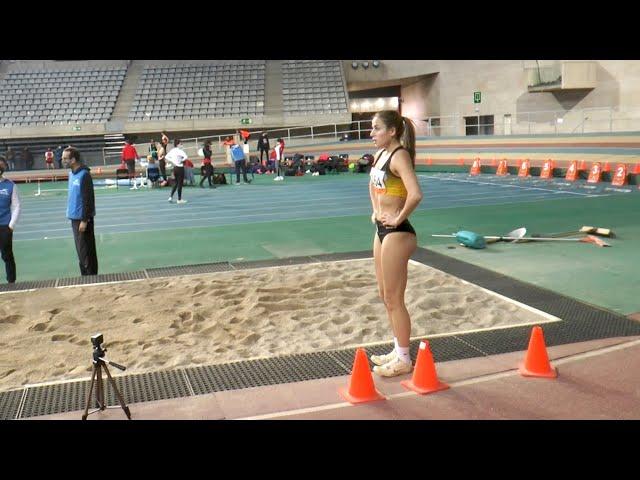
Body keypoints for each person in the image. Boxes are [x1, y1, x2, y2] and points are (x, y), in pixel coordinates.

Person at [368, 110, 422, 377]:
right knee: (384, 296)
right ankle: (397, 348)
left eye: (376, 128)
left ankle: (404, 358)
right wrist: (376, 209)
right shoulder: (380, 155)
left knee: (394, 298)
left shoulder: (399, 156)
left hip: (398, 232)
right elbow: (372, 185)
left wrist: (398, 216)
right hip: (382, 229)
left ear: (391, 131)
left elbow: (415, 194)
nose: (371, 133)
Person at [62, 146, 98, 276]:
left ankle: (91, 277)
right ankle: (85, 276)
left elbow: (88, 199)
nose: (63, 160)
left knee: (86, 251)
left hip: (82, 220)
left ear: (73, 159)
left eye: (65, 158)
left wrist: (84, 220)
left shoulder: (84, 175)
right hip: (74, 218)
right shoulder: (71, 174)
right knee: (81, 252)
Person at [0, 156, 20, 283]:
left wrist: (11, 225)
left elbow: (16, 206)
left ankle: (11, 282)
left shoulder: (10, 185)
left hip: (4, 227)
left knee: (7, 256)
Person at [165, 138, 188, 204]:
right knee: (180, 184)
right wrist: (180, 160)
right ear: (178, 144)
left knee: (175, 183)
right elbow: (186, 157)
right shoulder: (180, 150)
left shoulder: (172, 150)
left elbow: (166, 157)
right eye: (181, 143)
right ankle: (179, 199)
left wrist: (173, 161)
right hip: (180, 168)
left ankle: (170, 197)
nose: (181, 145)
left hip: (174, 168)